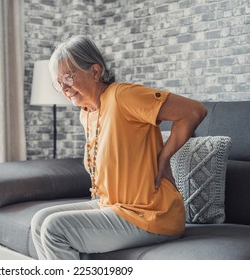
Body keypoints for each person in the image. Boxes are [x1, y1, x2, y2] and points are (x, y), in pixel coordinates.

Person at [30, 35, 207, 260]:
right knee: (39, 222)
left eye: (68, 77)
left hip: (151, 213)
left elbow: (193, 112)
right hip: (113, 207)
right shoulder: (87, 114)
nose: (64, 87)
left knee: (55, 228)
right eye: (58, 82)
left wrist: (164, 157)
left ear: (95, 71)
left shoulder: (122, 95)